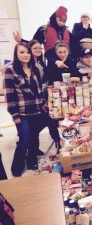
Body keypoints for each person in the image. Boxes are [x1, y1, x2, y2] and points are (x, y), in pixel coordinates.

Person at [4, 42, 46, 176]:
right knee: (24, 139)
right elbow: (9, 94)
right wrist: (14, 114)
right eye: (22, 52)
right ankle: (17, 166)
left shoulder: (34, 68)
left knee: (34, 137)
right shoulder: (10, 70)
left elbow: (39, 90)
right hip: (22, 112)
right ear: (16, 54)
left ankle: (32, 160)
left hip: (37, 109)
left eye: (27, 52)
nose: (26, 55)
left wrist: (44, 104)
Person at [28, 40, 61, 153]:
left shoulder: (41, 62)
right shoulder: (28, 64)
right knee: (36, 125)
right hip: (34, 100)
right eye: (35, 48)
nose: (38, 50)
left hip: (44, 96)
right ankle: (32, 152)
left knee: (50, 120)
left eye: (39, 48)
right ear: (30, 50)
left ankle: (58, 143)